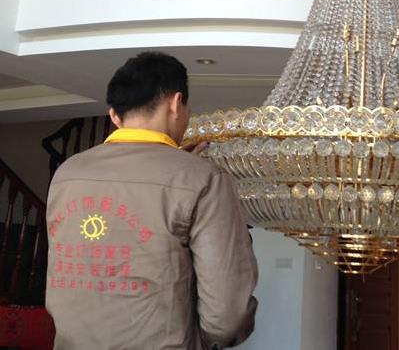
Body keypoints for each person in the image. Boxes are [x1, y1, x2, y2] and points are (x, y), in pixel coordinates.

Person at [45, 51, 258, 349]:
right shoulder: (204, 178)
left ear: (114, 116)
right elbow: (226, 320)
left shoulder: (67, 173)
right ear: (176, 103)